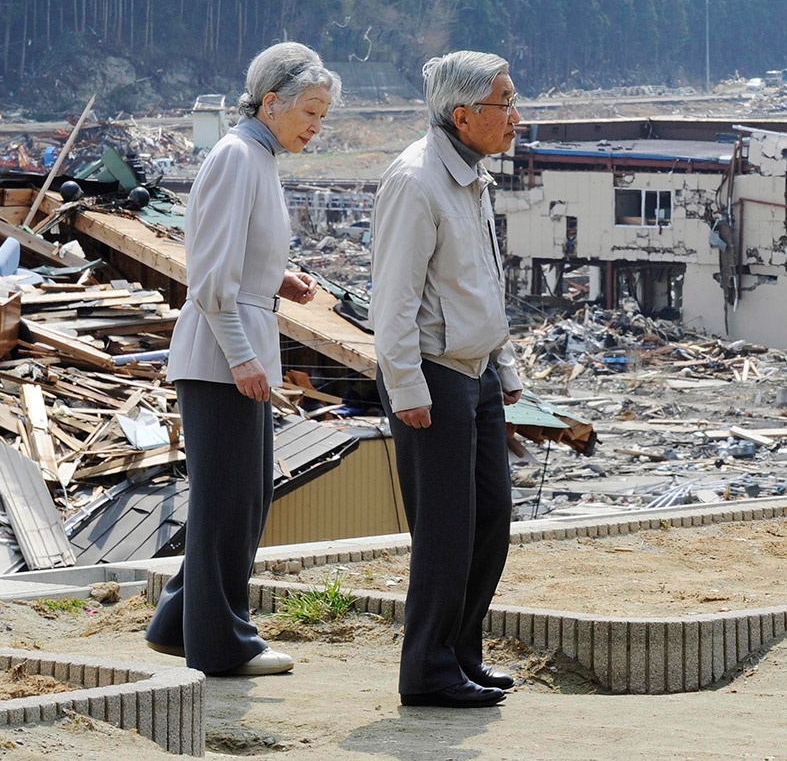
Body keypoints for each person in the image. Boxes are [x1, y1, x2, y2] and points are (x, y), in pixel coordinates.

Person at [145, 42, 341, 676]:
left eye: (323, 114)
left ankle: (180, 622)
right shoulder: (238, 157)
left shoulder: (256, 157)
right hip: (221, 355)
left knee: (239, 495)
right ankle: (223, 644)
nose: (317, 124)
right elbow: (207, 276)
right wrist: (242, 357)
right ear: (272, 101)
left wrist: (275, 280)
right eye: (310, 110)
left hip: (236, 346)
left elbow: (234, 253)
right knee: (230, 501)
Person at [370, 50, 522, 707]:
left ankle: (460, 652)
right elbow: (392, 300)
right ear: (463, 116)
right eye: (505, 104)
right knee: (444, 530)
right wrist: (405, 389)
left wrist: (506, 368)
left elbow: (482, 280)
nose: (516, 118)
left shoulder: (471, 176)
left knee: (490, 516)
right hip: (432, 376)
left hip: (477, 371)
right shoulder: (414, 181)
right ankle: (427, 669)